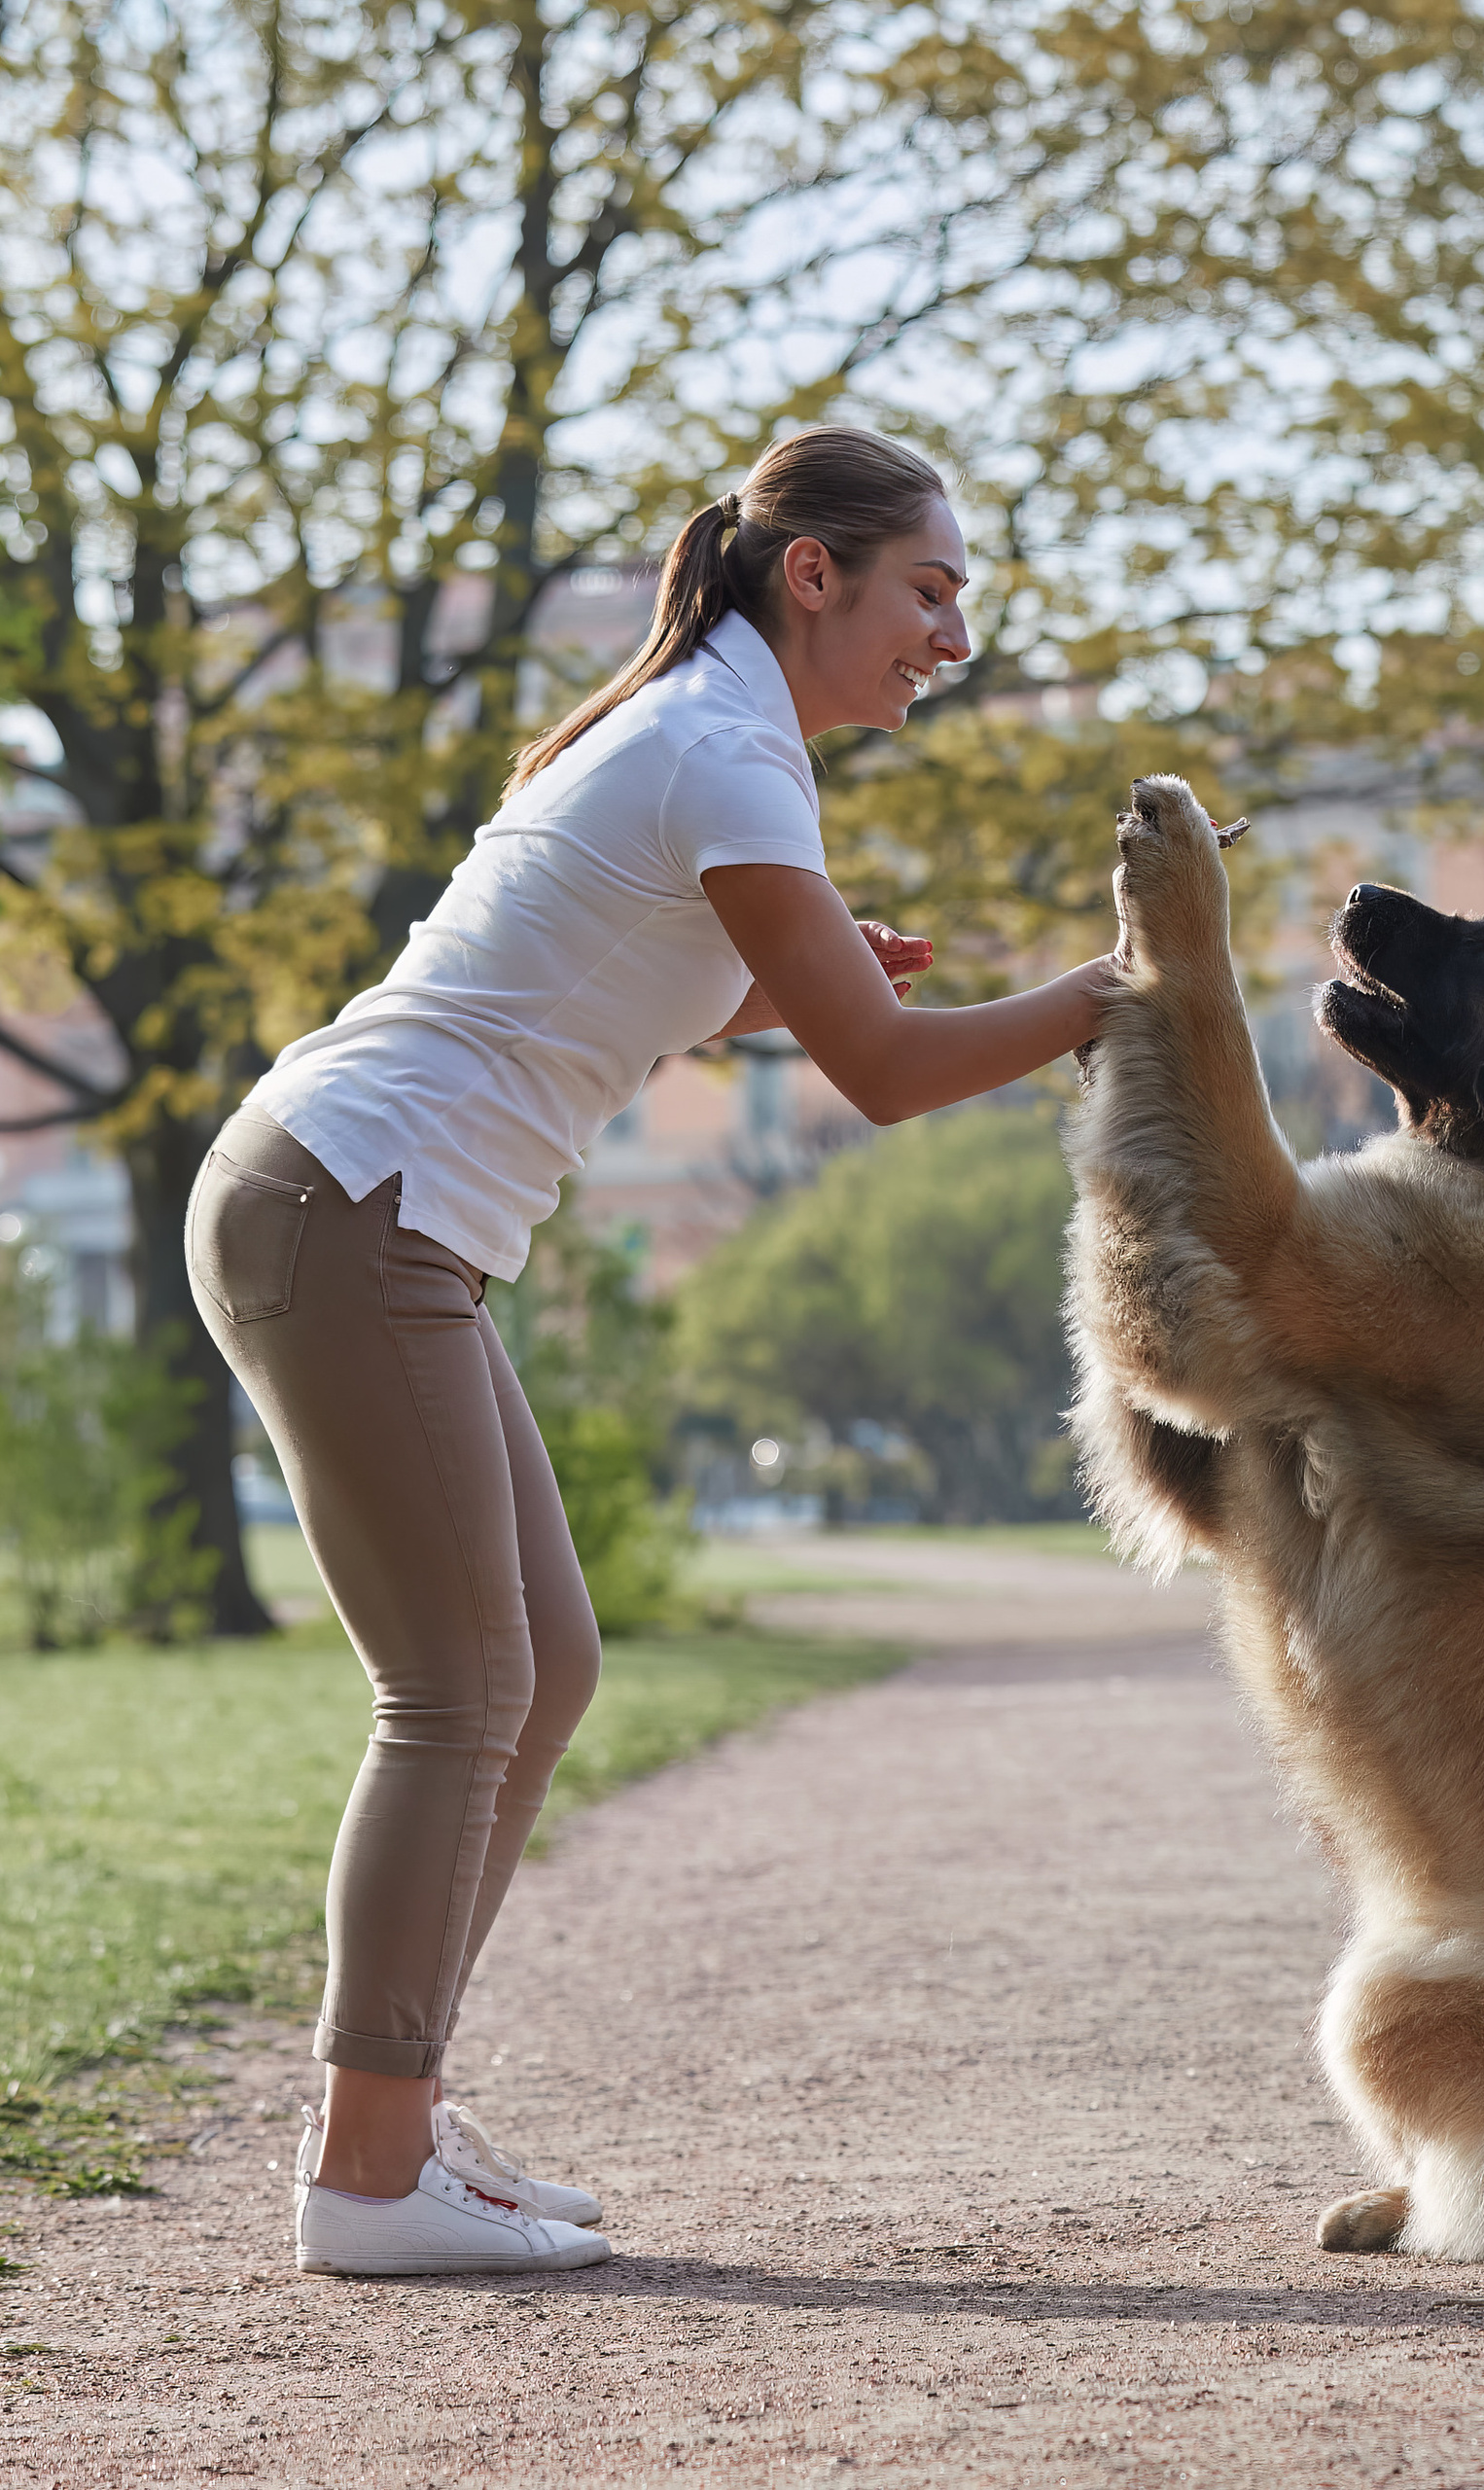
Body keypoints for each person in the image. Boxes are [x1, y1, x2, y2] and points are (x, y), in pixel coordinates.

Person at [187, 425, 1116, 2277]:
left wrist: (785, 963)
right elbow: (884, 1080)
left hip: (367, 1210)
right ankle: (368, 2178)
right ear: (813, 576)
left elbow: (620, 968)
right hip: (351, 1206)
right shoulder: (718, 747)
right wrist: (1116, 997)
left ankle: (400, 2119)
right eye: (931, 589)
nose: (953, 632)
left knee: (541, 1672)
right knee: (458, 1689)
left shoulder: (714, 734)